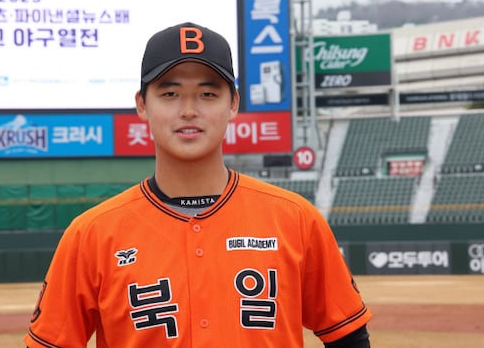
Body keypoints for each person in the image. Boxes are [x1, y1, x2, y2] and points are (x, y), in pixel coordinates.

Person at [24, 22, 372, 347]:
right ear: (142, 105)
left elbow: (350, 337)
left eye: (207, 94)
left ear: (233, 103)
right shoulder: (91, 235)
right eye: (170, 93)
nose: (189, 110)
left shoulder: (295, 219)